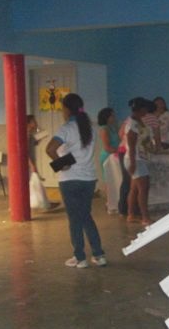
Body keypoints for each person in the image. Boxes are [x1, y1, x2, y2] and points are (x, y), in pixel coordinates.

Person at [46, 93, 106, 268]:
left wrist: (61, 164)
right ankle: (99, 255)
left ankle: (80, 257)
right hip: (89, 179)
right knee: (86, 216)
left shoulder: (66, 128)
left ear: (66, 109)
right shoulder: (90, 128)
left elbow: (50, 149)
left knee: (74, 219)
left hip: (70, 179)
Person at [124, 97, 154, 225]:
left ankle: (131, 214)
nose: (147, 111)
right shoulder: (132, 124)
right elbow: (131, 145)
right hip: (135, 159)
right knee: (143, 188)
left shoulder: (138, 121)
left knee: (135, 188)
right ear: (141, 109)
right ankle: (145, 217)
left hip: (138, 158)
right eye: (145, 109)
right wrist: (133, 163)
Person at [98, 107, 122, 214]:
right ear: (106, 117)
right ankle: (110, 203)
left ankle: (116, 201)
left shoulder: (113, 127)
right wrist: (120, 151)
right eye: (112, 115)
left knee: (116, 179)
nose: (114, 117)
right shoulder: (104, 129)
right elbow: (107, 147)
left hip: (116, 155)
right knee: (109, 180)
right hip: (108, 156)